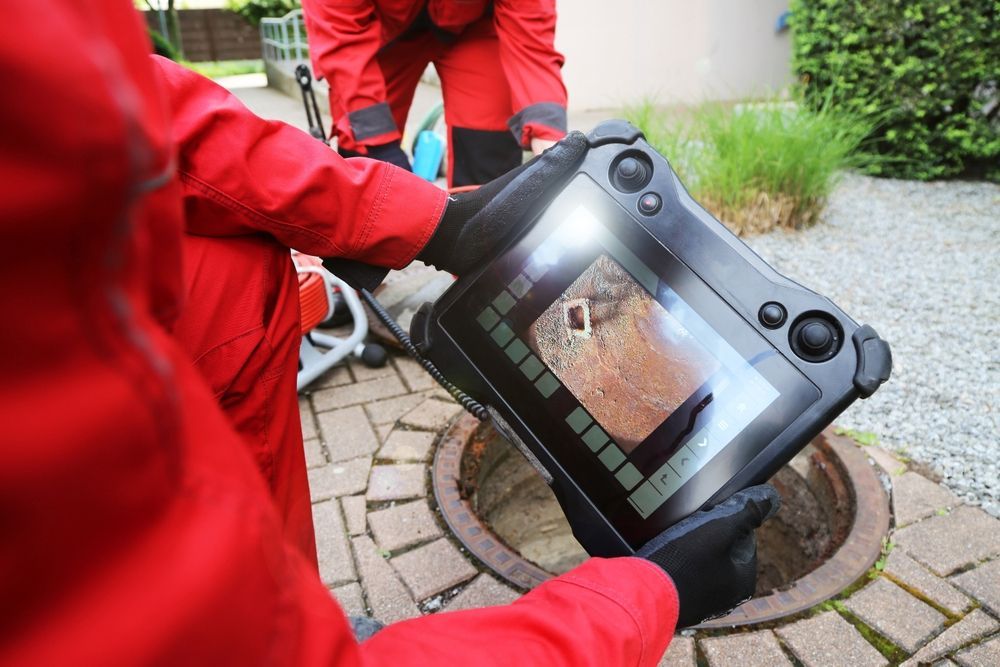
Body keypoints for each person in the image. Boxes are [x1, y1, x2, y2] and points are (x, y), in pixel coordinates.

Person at [0, 1, 779, 664]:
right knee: (373, 145)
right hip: (377, 31)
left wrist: (426, 217)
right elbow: (341, 42)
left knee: (243, 271)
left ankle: (283, 590)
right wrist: (643, 600)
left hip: (465, 24)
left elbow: (142, 115)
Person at [301, 0, 568, 186]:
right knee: (366, 144)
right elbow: (341, 37)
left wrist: (550, 140)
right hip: (379, 34)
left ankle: (485, 258)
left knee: (489, 154)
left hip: (474, 27)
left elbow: (531, 37)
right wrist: (381, 147)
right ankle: (353, 257)